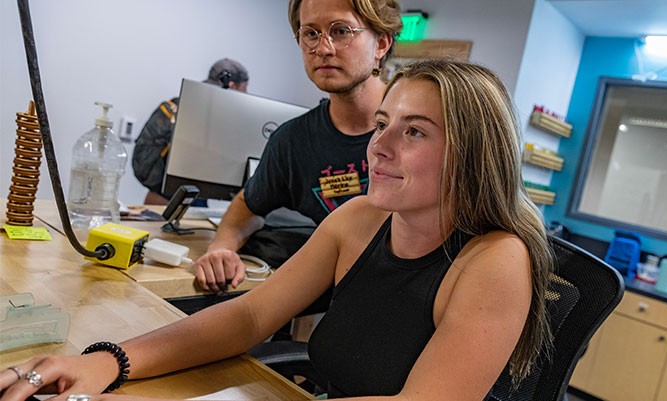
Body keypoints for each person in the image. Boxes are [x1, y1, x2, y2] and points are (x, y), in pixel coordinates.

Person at [0, 59, 554, 401]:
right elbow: (251, 315)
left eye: (414, 132)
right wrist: (106, 360)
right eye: (382, 124)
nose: (379, 147)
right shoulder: (358, 220)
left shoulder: (497, 260)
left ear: (472, 153)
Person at [194, 0, 402, 293]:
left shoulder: (421, 131)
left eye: (341, 31)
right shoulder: (292, 141)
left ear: (381, 43)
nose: (323, 49)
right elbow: (248, 205)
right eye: (311, 33)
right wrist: (221, 249)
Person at [132, 58, 250, 205]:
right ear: (232, 86)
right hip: (172, 203)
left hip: (159, 197)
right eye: (244, 90)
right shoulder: (207, 117)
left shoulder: (184, 105)